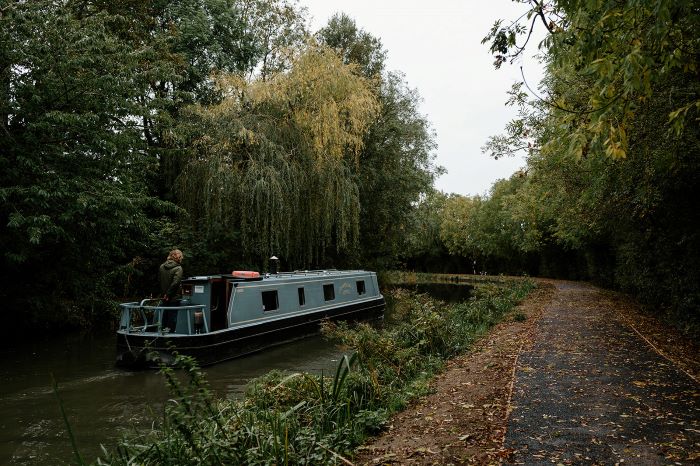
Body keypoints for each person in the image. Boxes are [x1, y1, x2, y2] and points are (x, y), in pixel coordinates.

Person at [159, 249, 183, 330]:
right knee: (172, 317)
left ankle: (162, 333)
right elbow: (175, 283)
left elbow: (160, 281)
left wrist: (164, 294)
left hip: (164, 297)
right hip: (173, 297)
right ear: (179, 257)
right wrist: (168, 294)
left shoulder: (162, 266)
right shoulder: (178, 268)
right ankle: (171, 336)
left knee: (165, 315)